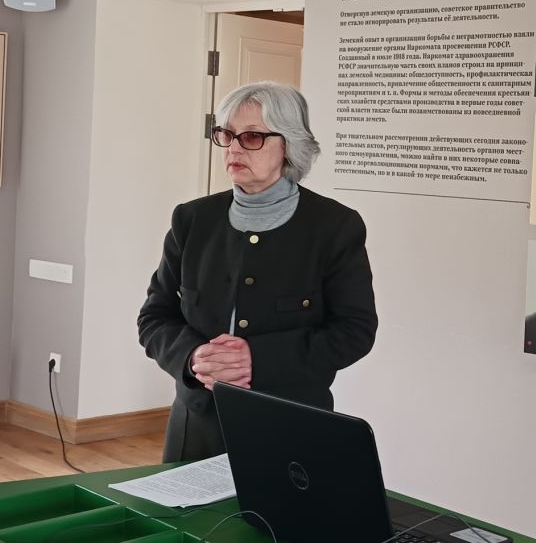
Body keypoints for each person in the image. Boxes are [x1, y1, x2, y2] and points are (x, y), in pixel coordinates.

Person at [138, 82, 379, 462]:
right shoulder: (192, 219)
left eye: (251, 137)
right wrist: (194, 356)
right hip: (197, 426)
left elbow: (354, 331)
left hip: (291, 426)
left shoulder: (335, 226)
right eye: (226, 134)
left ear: (290, 145)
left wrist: (257, 359)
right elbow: (154, 318)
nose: (233, 148)